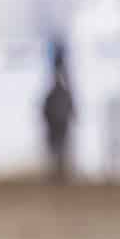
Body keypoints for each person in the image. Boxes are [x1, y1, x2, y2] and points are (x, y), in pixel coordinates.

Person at [42, 44, 75, 182]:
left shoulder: (62, 90)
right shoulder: (57, 91)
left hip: (60, 120)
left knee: (60, 146)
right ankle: (57, 172)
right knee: (57, 147)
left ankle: (61, 172)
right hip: (56, 121)